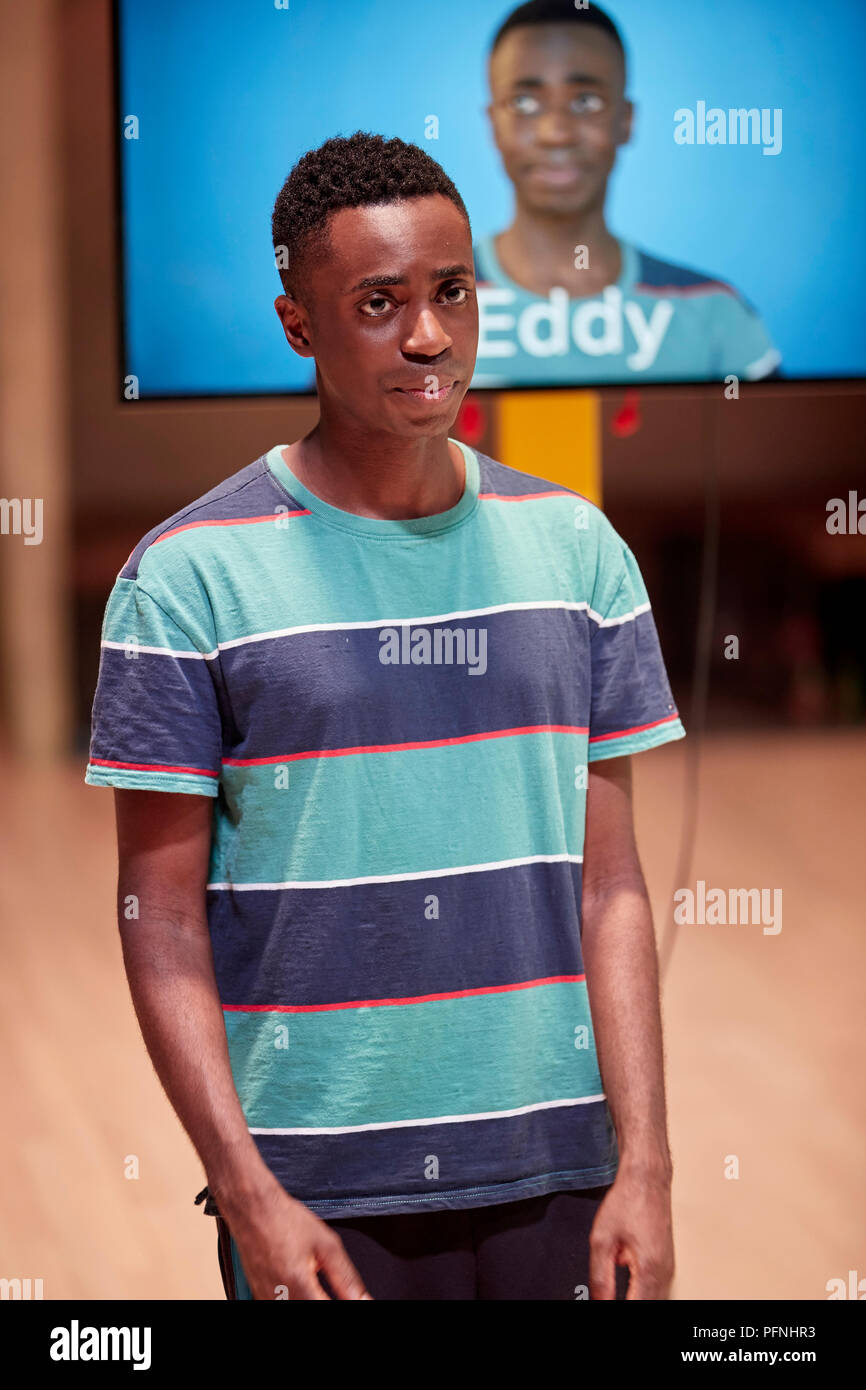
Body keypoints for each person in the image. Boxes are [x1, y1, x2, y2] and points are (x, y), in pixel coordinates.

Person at [86, 130, 685, 1300]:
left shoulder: (577, 553)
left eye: (450, 292)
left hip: (557, 1167)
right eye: (377, 301)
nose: (426, 336)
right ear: (298, 324)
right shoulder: (186, 579)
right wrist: (247, 1191)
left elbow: (607, 883)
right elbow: (156, 920)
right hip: (317, 1191)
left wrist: (647, 1165)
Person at [472, 0, 782, 386]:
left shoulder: (713, 315)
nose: (557, 133)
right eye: (524, 102)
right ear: (493, 124)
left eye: (586, 101)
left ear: (626, 120)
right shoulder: (422, 313)